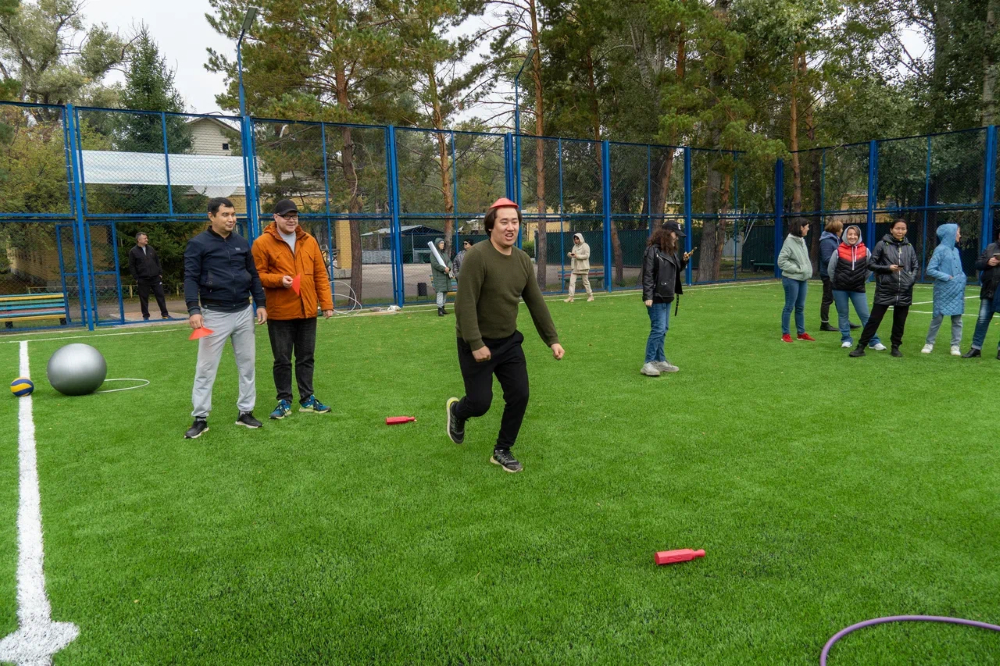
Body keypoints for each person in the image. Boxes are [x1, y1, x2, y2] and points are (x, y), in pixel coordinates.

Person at [446, 197, 565, 474]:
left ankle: (502, 449)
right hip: (475, 342)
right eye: (504, 222)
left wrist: (552, 339)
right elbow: (464, 304)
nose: (510, 227)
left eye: (515, 222)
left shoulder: (523, 260)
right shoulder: (477, 256)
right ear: (491, 226)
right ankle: (458, 412)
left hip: (509, 342)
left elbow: (535, 302)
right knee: (480, 403)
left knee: (520, 394)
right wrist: (475, 343)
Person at [183, 198, 267, 439]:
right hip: (213, 315)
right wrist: (193, 309)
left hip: (243, 313)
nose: (231, 219)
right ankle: (200, 418)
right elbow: (190, 278)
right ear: (211, 216)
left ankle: (245, 412)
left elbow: (253, 276)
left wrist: (260, 304)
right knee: (205, 368)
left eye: (233, 214)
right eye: (225, 215)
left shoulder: (241, 243)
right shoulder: (197, 244)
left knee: (247, 365)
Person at [252, 198, 335, 420]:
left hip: (307, 310)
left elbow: (320, 274)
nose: (291, 220)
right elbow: (256, 275)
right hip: (280, 312)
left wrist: (326, 303)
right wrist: (279, 280)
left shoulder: (309, 241)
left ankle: (307, 399)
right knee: (282, 359)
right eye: (287, 216)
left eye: (294, 216)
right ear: (275, 218)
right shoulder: (262, 243)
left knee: (306, 357)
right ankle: (284, 401)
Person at [850, 219, 919, 358]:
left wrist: (910, 281)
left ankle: (895, 347)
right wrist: (887, 268)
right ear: (891, 229)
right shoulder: (882, 244)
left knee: (900, 321)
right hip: (885, 289)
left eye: (903, 229)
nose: (900, 231)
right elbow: (871, 264)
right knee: (874, 319)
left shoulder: (909, 246)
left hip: (904, 290)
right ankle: (861, 346)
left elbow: (915, 266)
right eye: (897, 228)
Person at [640, 222, 692, 376]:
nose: (677, 238)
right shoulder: (652, 251)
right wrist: (648, 296)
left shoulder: (671, 251)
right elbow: (648, 274)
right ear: (667, 233)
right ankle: (648, 363)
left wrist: (683, 261)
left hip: (668, 295)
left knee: (664, 329)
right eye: (676, 235)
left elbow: (675, 270)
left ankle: (660, 360)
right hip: (656, 296)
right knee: (658, 329)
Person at [827, 225, 886, 351]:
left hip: (858, 288)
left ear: (859, 236)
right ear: (845, 236)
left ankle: (873, 341)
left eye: (855, 234)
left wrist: (860, 280)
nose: (852, 237)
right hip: (839, 289)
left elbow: (869, 269)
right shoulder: (838, 251)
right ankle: (846, 339)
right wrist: (837, 281)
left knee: (865, 315)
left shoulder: (865, 251)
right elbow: (831, 270)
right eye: (850, 234)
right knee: (843, 314)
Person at [922, 223, 965, 356]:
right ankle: (929, 343)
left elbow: (958, 268)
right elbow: (930, 269)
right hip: (943, 289)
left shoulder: (956, 251)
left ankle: (955, 345)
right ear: (950, 234)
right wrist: (947, 277)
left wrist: (961, 277)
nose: (959, 235)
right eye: (957, 232)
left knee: (957, 319)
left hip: (957, 289)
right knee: (937, 317)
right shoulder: (940, 250)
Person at [961, 229, 1000, 358]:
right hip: (989, 289)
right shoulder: (990, 247)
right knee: (982, 319)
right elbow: (977, 264)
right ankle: (976, 348)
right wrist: (988, 262)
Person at [777, 217, 816, 343]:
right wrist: (798, 269)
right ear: (801, 227)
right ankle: (785, 334)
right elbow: (781, 262)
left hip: (802, 279)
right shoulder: (789, 242)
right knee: (789, 306)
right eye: (806, 226)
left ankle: (801, 333)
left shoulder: (801, 240)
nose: (808, 229)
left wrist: (804, 270)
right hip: (791, 279)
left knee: (800, 307)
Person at [819, 219, 859, 332]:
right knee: (828, 298)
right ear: (836, 229)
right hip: (828, 274)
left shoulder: (834, 240)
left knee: (839, 298)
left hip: (837, 274)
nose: (842, 230)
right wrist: (842, 261)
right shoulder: (826, 241)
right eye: (841, 228)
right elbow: (827, 259)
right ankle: (824, 324)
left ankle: (845, 321)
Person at [128, 232, 169, 320]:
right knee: (144, 298)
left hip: (155, 278)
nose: (147, 239)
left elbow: (157, 261)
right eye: (145, 238)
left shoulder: (151, 249)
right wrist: (136, 277)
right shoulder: (133, 251)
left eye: (147, 238)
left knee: (160, 295)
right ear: (139, 240)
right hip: (143, 279)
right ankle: (146, 315)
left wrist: (160, 273)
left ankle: (165, 314)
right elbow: (131, 265)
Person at [564, 233, 594, 303]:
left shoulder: (585, 246)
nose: (576, 240)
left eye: (577, 239)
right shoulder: (574, 247)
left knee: (585, 282)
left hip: (583, 267)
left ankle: (590, 296)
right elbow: (573, 255)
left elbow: (587, 256)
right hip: (575, 267)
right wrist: (570, 255)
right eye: (575, 239)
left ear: (580, 238)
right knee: (572, 282)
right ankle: (571, 297)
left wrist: (577, 256)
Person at [431, 237, 453, 317]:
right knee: (440, 292)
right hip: (439, 277)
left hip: (446, 277)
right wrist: (444, 268)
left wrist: (449, 268)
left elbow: (449, 262)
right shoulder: (434, 254)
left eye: (443, 243)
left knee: (445, 292)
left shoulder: (444, 254)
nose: (442, 245)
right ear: (437, 244)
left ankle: (443, 307)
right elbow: (435, 264)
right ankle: (439, 309)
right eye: (441, 243)